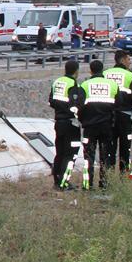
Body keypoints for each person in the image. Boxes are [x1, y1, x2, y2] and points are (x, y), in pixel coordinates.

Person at [71, 60, 121, 189]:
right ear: (102, 70)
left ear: (90, 71)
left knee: (88, 157)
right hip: (106, 127)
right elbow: (118, 106)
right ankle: (104, 184)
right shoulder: (112, 85)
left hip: (90, 128)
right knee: (106, 156)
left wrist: (83, 120)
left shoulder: (85, 85)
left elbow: (79, 106)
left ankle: (87, 185)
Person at [103, 50, 132, 173]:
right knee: (125, 146)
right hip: (125, 116)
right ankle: (124, 174)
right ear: (122, 60)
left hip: (108, 117)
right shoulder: (129, 76)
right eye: (128, 59)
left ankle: (109, 174)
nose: (130, 62)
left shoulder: (105, 74)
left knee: (110, 147)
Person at [48, 60, 83, 189]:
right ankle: (64, 183)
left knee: (60, 153)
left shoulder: (57, 82)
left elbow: (51, 101)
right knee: (71, 154)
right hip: (70, 124)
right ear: (76, 71)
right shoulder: (73, 84)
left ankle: (57, 182)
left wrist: (60, 109)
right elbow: (75, 105)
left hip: (58, 122)